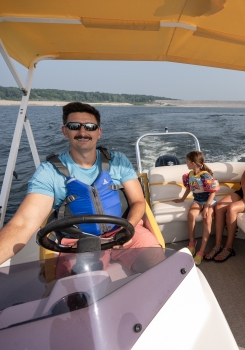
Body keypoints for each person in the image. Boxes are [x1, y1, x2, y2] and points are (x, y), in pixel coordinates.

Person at [0, 102, 163, 275]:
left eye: (90, 127)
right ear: (65, 131)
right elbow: (23, 223)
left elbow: (138, 200)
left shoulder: (118, 161)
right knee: (78, 295)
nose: (83, 132)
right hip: (78, 242)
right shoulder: (49, 172)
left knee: (159, 271)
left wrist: (128, 229)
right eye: (75, 126)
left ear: (98, 132)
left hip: (126, 231)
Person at [174, 151, 219, 265]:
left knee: (207, 219)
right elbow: (189, 188)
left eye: (187, 162)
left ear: (193, 163)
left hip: (209, 200)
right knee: (191, 215)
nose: (186, 164)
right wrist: (182, 199)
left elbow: (213, 192)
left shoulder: (205, 176)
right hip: (198, 200)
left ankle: (201, 251)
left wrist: (207, 207)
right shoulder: (190, 175)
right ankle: (192, 243)